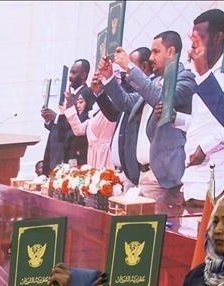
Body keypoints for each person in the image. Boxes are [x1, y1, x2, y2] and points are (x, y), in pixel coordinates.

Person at [103, 32, 197, 219]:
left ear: (171, 52)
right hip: (144, 174)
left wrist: (129, 67)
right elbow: (126, 103)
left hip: (163, 177)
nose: (151, 57)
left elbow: (164, 100)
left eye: (156, 52)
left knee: (151, 230)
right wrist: (108, 78)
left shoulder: (186, 78)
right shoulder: (153, 81)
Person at [180, 9, 224, 203]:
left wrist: (205, 148)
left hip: (218, 179)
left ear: (218, 37)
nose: (194, 45)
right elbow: (201, 122)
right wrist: (176, 119)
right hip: (193, 179)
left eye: (199, 38)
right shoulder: (203, 75)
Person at [95, 47, 153, 186]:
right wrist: (99, 93)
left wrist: (109, 77)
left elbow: (124, 102)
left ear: (144, 67)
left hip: (136, 173)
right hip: (120, 172)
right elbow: (114, 114)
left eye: (129, 65)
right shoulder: (130, 89)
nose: (125, 72)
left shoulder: (148, 93)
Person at [41, 59, 95, 172]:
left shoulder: (86, 94)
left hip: (71, 153)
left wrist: (56, 117)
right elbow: (62, 126)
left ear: (83, 75)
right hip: (56, 152)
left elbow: (78, 125)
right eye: (70, 72)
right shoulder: (71, 95)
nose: (70, 77)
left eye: (74, 73)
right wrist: (50, 120)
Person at [62, 87, 117, 170]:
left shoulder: (109, 108)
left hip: (106, 155)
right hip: (93, 155)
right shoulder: (92, 114)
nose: (78, 105)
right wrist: (70, 104)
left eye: (81, 101)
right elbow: (78, 130)